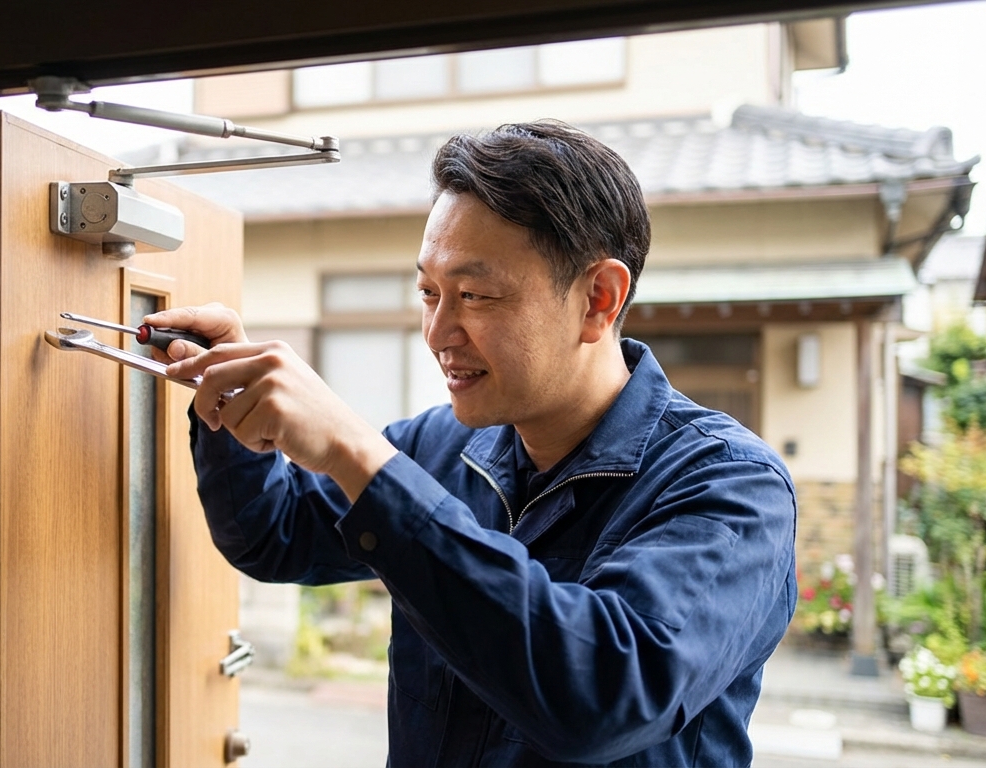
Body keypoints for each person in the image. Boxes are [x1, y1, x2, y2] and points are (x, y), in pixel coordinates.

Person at [147, 120, 797, 767]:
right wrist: (227, 390)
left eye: (475, 296)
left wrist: (356, 453)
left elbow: (603, 696)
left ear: (599, 298)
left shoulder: (731, 487)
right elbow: (275, 534)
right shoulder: (444, 443)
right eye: (429, 292)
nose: (437, 332)